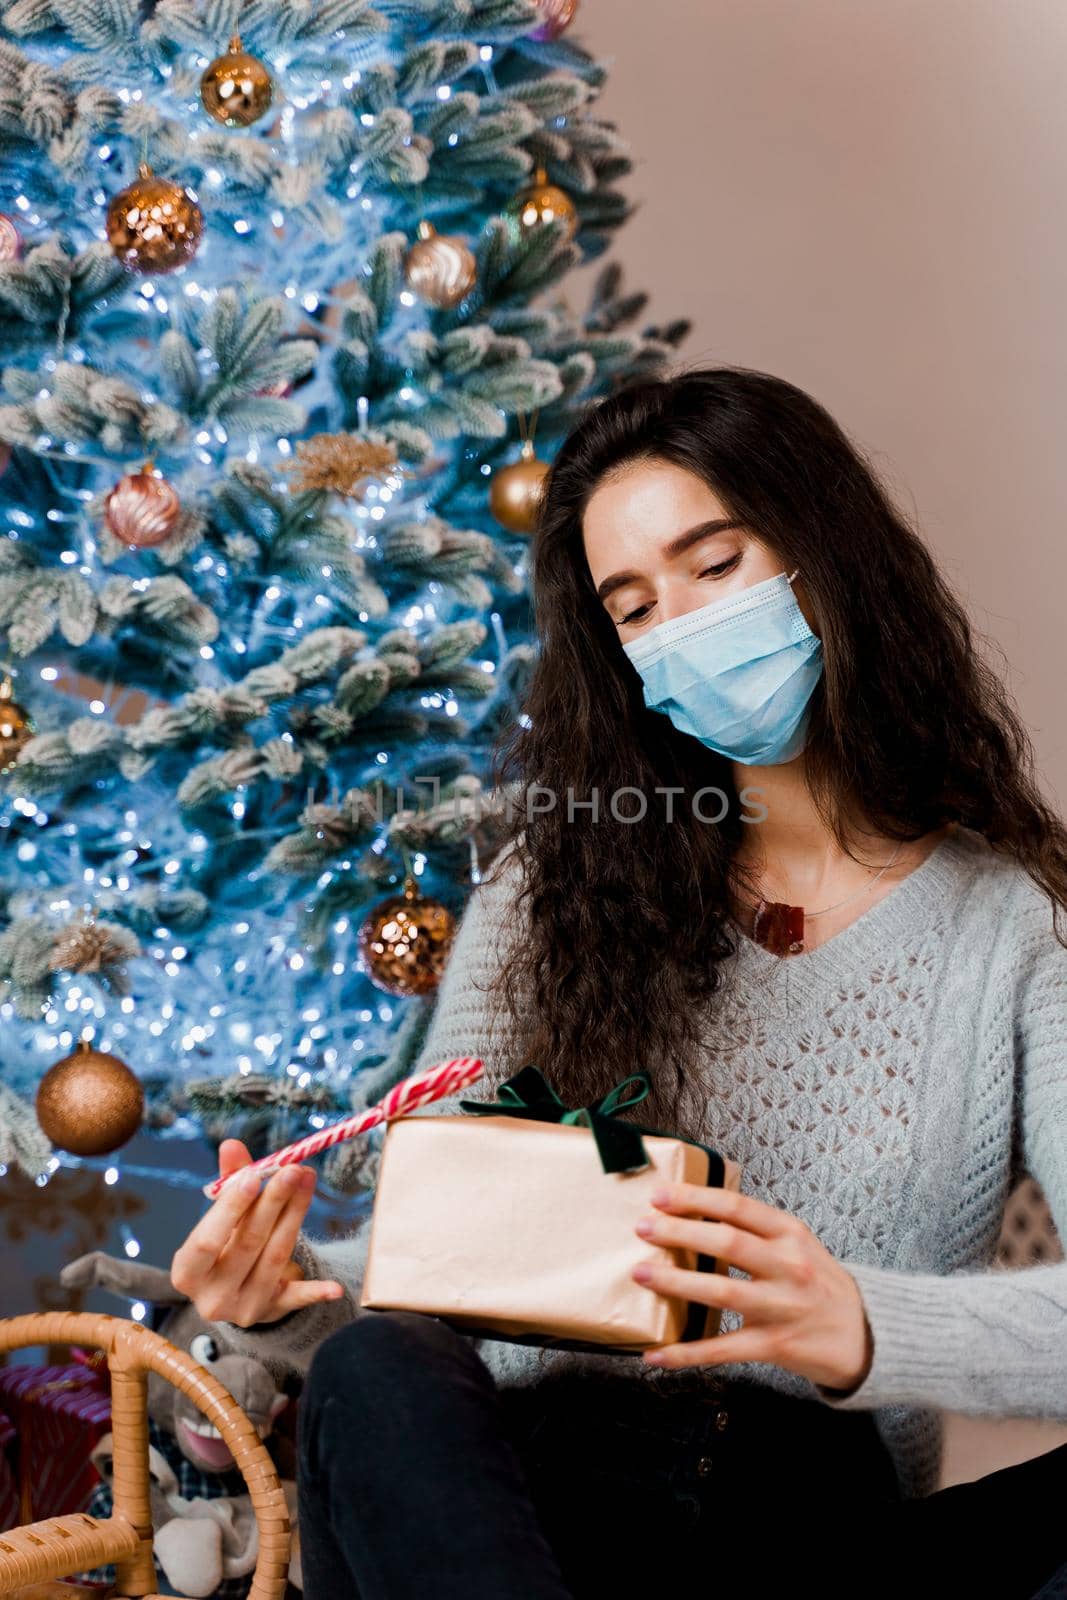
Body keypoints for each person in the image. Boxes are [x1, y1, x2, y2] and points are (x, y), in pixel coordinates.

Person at [171, 367, 1067, 1599]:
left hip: (812, 1525)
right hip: (530, 1508)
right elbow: (423, 1281)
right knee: (376, 1366)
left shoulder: (1012, 929)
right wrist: (275, 1301)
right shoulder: (550, 893)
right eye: (634, 606)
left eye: (714, 564)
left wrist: (863, 1324)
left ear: (826, 554)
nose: (683, 627)